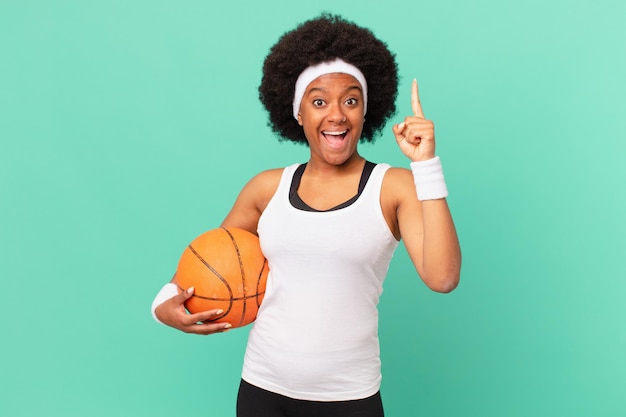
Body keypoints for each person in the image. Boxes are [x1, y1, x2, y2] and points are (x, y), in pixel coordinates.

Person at [151, 13, 461, 417]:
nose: (336, 115)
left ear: (367, 111)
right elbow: (209, 266)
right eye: (319, 102)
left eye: (351, 100)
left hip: (351, 397)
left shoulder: (393, 186)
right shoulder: (267, 188)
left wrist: (426, 164)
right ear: (298, 114)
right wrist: (163, 307)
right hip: (263, 390)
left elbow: (442, 277)